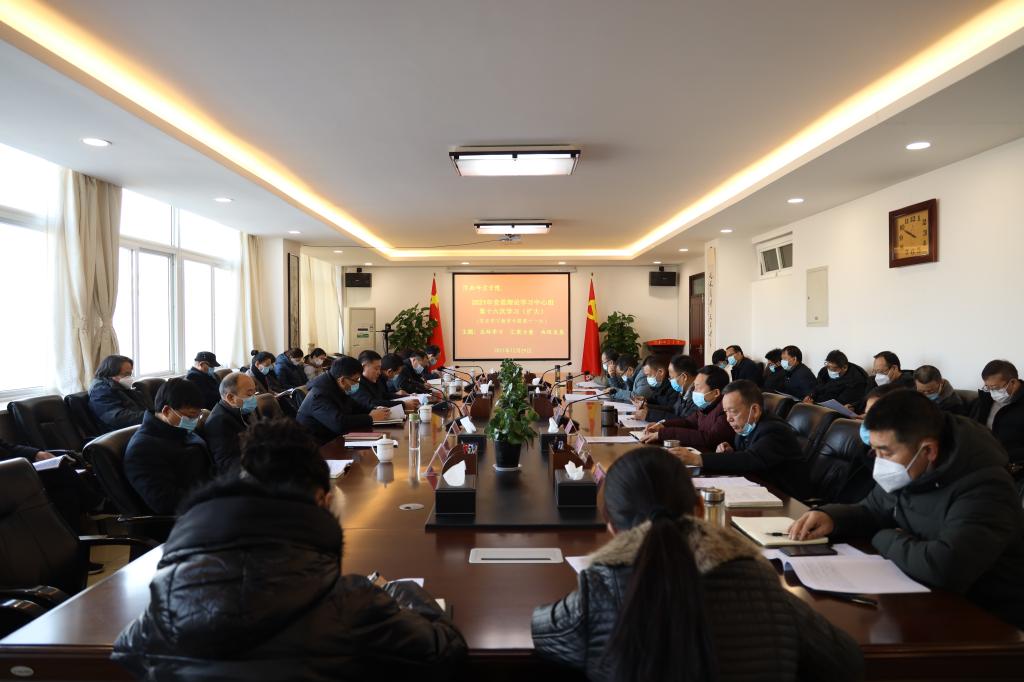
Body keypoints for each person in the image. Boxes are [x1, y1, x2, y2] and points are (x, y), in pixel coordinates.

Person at [113, 418, 467, 680]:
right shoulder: (352, 602)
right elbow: (444, 650)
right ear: (322, 500)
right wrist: (400, 590)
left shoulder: (166, 602)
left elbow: (126, 652)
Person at [531, 446, 863, 682]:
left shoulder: (601, 587)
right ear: (700, 510)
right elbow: (846, 663)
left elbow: (542, 631)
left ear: (613, 529)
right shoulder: (760, 580)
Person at [790, 390, 1024, 629]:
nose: (879, 462)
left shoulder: (985, 488)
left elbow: (943, 568)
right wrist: (831, 517)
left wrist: (883, 536)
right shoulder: (910, 467)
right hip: (920, 595)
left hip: (987, 619)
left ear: (928, 450)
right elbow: (872, 510)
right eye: (875, 451)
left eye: (886, 452)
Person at [674, 380, 809, 499]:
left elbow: (751, 459)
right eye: (726, 412)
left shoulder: (774, 430)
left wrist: (697, 459)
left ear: (755, 410)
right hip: (758, 489)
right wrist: (731, 452)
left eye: (733, 411)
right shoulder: (747, 426)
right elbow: (748, 456)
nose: (728, 419)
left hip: (787, 499)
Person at [123, 379, 212, 515]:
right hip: (191, 515)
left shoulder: (178, 429)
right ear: (166, 411)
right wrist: (214, 496)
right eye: (190, 416)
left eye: (197, 416)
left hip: (208, 498)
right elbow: (166, 502)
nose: (194, 421)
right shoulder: (142, 449)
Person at [297, 356, 391, 444]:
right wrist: (370, 417)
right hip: (318, 446)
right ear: (342, 380)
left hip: (335, 440)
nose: (358, 384)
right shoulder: (319, 395)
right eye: (356, 380)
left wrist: (374, 409)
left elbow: (356, 407)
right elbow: (339, 423)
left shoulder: (336, 387)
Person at [641, 365, 734, 450]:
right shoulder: (706, 406)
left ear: (716, 393)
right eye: (694, 387)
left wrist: (663, 434)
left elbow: (709, 439)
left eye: (698, 388)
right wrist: (663, 425)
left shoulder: (725, 411)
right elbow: (688, 422)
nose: (693, 391)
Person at [203, 372, 258, 474]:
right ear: (231, 398)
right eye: (250, 394)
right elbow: (227, 463)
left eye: (255, 393)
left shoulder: (243, 410)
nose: (254, 398)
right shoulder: (218, 421)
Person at [970, 359, 1024, 463]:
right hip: (979, 453)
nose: (992, 392)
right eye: (988, 387)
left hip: (1008, 462)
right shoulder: (985, 398)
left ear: (1013, 382)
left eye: (995, 388)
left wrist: (999, 455)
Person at [89, 354, 148, 431]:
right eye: (126, 374)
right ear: (111, 373)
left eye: (130, 374)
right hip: (121, 433)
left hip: (138, 426)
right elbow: (117, 418)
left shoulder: (120, 386)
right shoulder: (100, 390)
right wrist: (151, 416)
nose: (129, 378)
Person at [353, 350, 418, 411]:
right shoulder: (355, 384)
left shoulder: (375, 379)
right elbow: (372, 402)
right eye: (376, 368)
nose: (379, 372)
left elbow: (384, 395)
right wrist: (403, 404)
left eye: (379, 368)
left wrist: (406, 396)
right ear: (363, 367)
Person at [646, 354, 698, 420]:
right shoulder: (683, 390)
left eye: (672, 377)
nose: (670, 381)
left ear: (684, 377)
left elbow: (684, 421)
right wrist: (647, 408)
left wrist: (649, 415)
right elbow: (674, 410)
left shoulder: (698, 396)